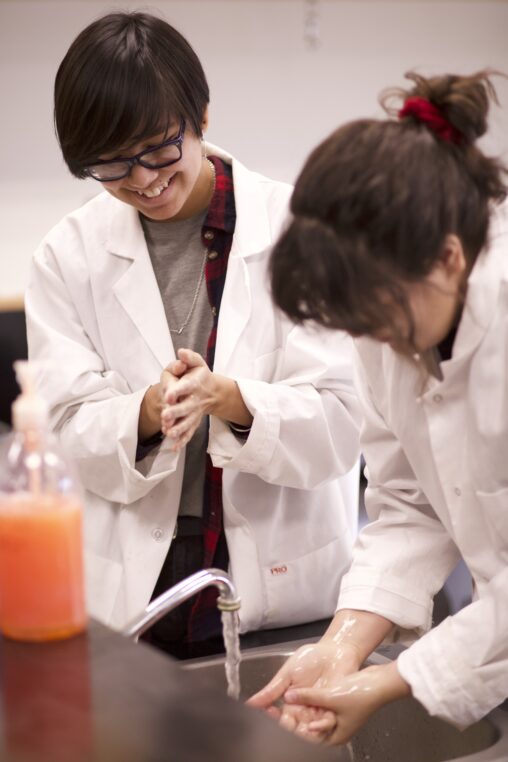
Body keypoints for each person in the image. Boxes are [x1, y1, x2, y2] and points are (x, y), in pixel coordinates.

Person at [24, 11, 361, 660]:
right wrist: (146, 413)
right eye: (113, 166)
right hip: (136, 596)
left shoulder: (304, 231)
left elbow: (346, 421)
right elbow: (64, 431)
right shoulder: (66, 257)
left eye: (159, 150)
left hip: (287, 595)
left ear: (201, 116)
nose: (145, 180)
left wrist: (231, 400)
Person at [248, 70, 508, 741]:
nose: (371, 342)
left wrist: (392, 682)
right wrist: (342, 646)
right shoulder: (391, 319)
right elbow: (410, 505)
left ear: (449, 258)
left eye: (378, 320)